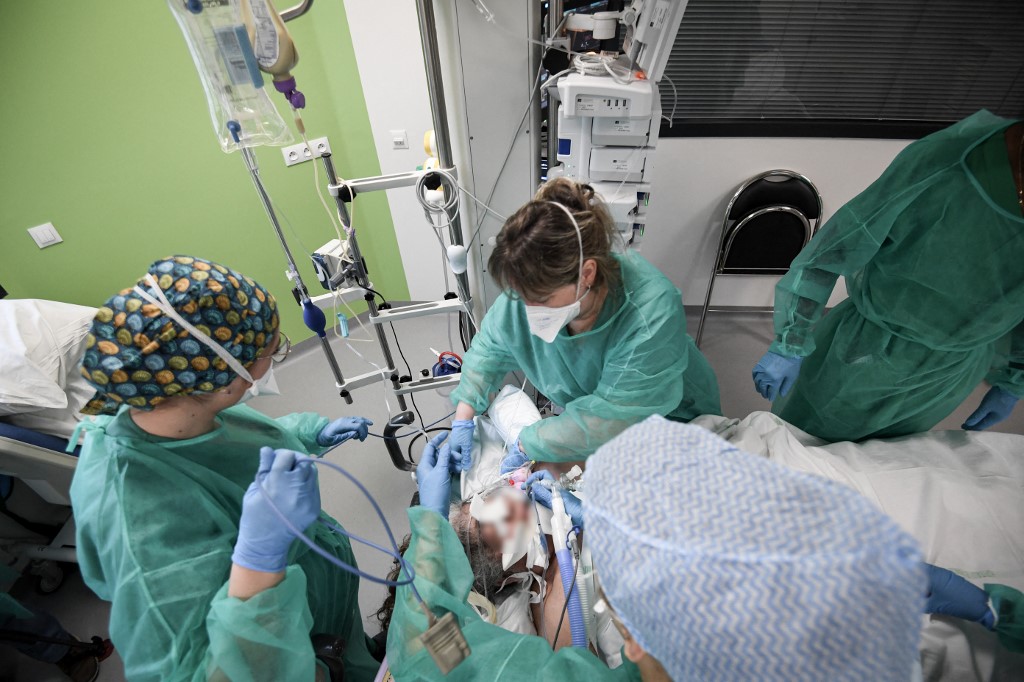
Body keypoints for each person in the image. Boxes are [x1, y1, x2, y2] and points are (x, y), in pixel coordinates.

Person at [388, 418, 930, 680]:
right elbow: (431, 637)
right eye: (482, 527)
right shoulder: (542, 619)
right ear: (497, 581)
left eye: (479, 501)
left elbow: (427, 629)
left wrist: (531, 461)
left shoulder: (540, 499)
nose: (497, 504)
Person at [70, 256, 379, 681]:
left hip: (315, 605)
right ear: (225, 374)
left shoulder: (171, 406)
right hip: (283, 645)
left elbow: (233, 443)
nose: (275, 359)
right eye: (275, 350)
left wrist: (310, 434)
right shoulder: (138, 525)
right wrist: (260, 561)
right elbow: (208, 672)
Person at [753, 110, 1024, 441]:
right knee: (799, 444)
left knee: (878, 461)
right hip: (865, 351)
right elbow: (832, 251)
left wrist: (1014, 381)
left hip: (953, 372)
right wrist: (789, 343)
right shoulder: (947, 164)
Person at [447, 178, 721, 470]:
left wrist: (530, 443)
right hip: (595, 421)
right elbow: (489, 349)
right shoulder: (529, 292)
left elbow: (611, 418)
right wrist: (463, 417)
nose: (527, 310)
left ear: (586, 274)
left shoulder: (649, 312)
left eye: (541, 298)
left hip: (665, 420)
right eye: (520, 296)